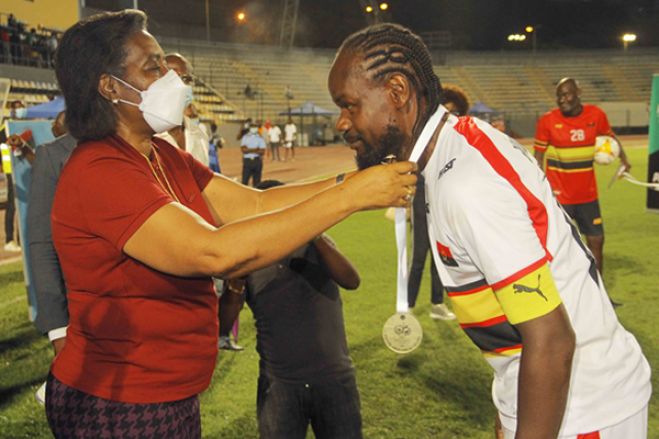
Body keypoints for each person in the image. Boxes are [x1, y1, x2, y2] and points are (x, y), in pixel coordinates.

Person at [46, 11, 415, 438]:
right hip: (117, 399)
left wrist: (358, 182)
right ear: (110, 87)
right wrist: (353, 195)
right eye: (153, 67)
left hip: (166, 391)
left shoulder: (161, 155)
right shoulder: (101, 170)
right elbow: (214, 252)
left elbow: (256, 203)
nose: (171, 78)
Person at [328, 23, 651, 439]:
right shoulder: (454, 147)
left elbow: (552, 341)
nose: (341, 122)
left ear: (397, 91)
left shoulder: (467, 183)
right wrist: (510, 404)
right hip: (561, 397)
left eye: (349, 105)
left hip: (583, 411)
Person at [226, 179, 363, 439]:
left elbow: (351, 280)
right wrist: (235, 283)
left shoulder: (315, 244)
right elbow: (223, 325)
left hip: (334, 379)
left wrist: (313, 234)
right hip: (280, 384)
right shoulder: (248, 257)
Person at [534, 78, 630, 280]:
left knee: (597, 240)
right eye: (559, 96)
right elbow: (538, 157)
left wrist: (624, 159)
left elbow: (610, 138)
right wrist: (539, 186)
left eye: (567, 94)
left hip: (587, 195)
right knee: (558, 245)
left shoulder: (596, 115)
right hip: (560, 197)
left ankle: (598, 289)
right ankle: (561, 289)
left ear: (579, 93)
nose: (562, 100)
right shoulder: (548, 120)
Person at [406, 85, 471, 320]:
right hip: (422, 197)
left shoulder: (460, 139)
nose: (449, 117)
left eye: (455, 113)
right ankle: (407, 307)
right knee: (419, 256)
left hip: (445, 201)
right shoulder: (424, 136)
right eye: (445, 111)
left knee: (441, 256)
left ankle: (437, 304)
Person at [27, 111, 77, 403]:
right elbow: (42, 245)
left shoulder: (156, 150)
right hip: (86, 322)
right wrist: (59, 332)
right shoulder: (55, 155)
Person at [156, 53, 210, 167]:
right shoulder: (146, 138)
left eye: (186, 79)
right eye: (172, 78)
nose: (181, 85)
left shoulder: (200, 133)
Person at [240, 121, 267, 186]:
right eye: (252, 126)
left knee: (257, 182)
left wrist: (249, 149)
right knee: (244, 181)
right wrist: (256, 149)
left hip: (257, 160)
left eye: (255, 126)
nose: (254, 128)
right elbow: (243, 150)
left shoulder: (260, 138)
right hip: (247, 161)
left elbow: (262, 151)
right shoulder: (245, 137)